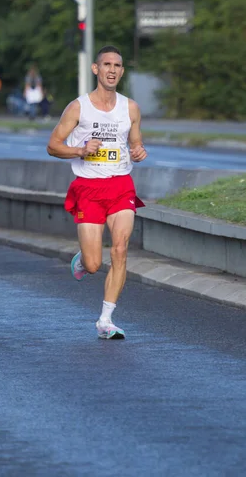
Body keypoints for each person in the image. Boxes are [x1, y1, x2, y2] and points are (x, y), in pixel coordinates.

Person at [47, 45, 148, 340]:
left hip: (120, 185)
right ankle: (83, 259)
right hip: (88, 188)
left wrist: (139, 151)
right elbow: (53, 145)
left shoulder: (130, 108)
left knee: (119, 248)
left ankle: (106, 319)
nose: (112, 70)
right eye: (107, 65)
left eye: (117, 65)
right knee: (94, 264)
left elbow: (136, 143)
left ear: (122, 71)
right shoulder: (78, 107)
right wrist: (80, 149)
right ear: (96, 69)